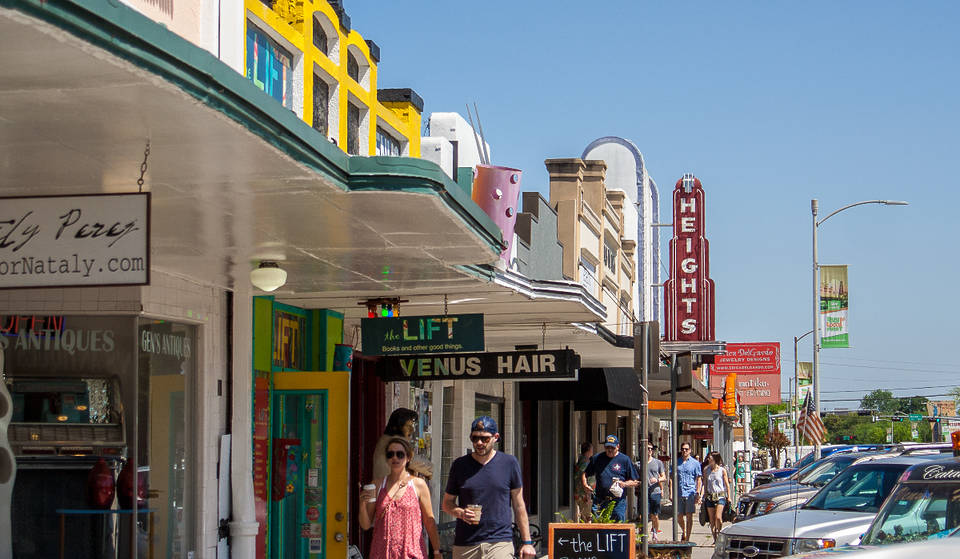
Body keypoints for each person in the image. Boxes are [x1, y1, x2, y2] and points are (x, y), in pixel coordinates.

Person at [441, 416, 536, 559]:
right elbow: (447, 504)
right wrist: (461, 513)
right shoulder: (459, 465)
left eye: (484, 439)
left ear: (496, 437)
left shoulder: (509, 463)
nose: (479, 443)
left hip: (499, 542)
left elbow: (518, 504)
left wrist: (527, 542)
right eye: (475, 438)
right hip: (465, 544)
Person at [360, 437, 443, 559]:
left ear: (408, 457)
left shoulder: (418, 485)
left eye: (400, 454)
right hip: (382, 553)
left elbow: (429, 522)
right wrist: (362, 504)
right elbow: (366, 525)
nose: (395, 458)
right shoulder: (377, 485)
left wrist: (437, 551)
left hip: (411, 553)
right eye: (390, 454)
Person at [581, 435, 639, 522]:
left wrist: (624, 484)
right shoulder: (597, 458)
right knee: (598, 528)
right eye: (607, 447)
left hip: (618, 502)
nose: (610, 450)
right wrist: (585, 484)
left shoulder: (625, 460)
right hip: (600, 501)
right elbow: (585, 473)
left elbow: (635, 481)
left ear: (618, 447)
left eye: (612, 447)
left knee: (617, 528)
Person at [374, 408, 433, 481]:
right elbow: (422, 465)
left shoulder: (387, 438)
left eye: (412, 425)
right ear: (397, 427)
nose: (412, 430)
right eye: (408, 426)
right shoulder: (396, 442)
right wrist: (430, 471)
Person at [676, 443, 702, 542]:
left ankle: (687, 538)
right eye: (682, 449)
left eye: (686, 449)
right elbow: (671, 478)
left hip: (690, 492)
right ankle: (684, 530)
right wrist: (671, 492)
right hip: (679, 492)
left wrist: (698, 492)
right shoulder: (677, 462)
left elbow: (699, 478)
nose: (684, 451)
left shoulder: (695, 463)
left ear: (690, 450)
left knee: (689, 515)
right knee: (679, 516)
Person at [703, 452, 731, 540]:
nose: (708, 459)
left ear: (715, 459)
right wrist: (704, 494)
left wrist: (729, 496)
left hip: (720, 495)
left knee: (718, 517)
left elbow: (726, 484)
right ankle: (715, 538)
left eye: (710, 458)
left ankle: (720, 533)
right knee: (711, 519)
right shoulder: (706, 470)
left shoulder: (722, 470)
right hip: (710, 496)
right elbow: (705, 483)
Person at [641, 444, 666, 540]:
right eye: (647, 448)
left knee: (654, 514)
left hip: (655, 492)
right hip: (644, 492)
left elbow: (664, 477)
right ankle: (643, 534)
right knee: (643, 514)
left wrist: (657, 479)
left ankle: (655, 532)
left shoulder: (658, 463)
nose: (650, 450)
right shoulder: (640, 464)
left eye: (651, 449)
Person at [573, 442, 594, 522]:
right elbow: (583, 475)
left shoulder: (583, 460)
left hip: (583, 493)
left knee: (586, 515)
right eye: (592, 449)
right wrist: (587, 491)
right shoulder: (585, 462)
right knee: (587, 517)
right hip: (584, 494)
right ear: (588, 450)